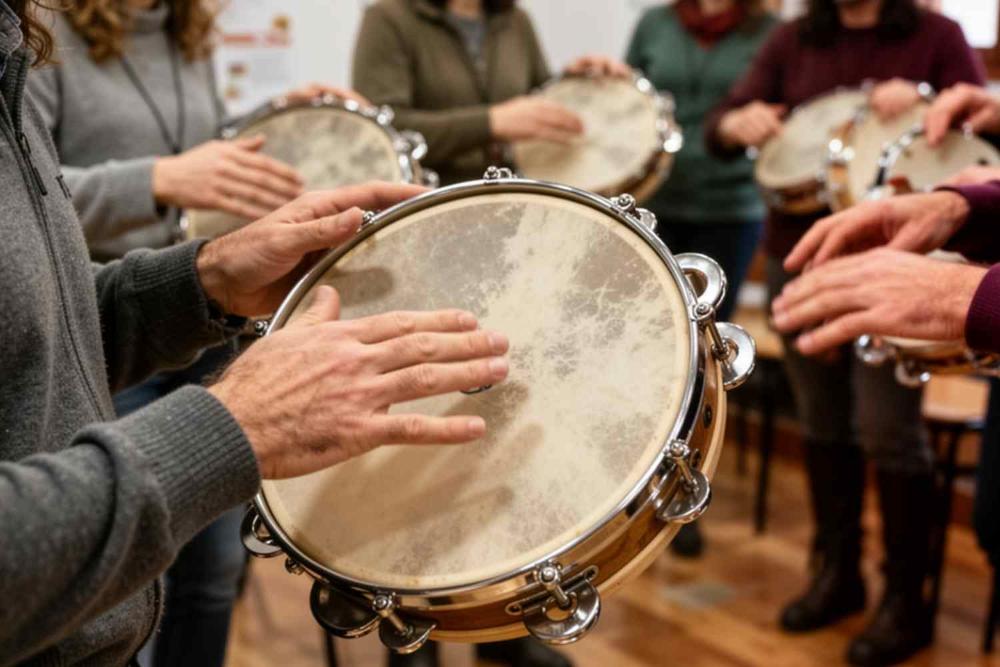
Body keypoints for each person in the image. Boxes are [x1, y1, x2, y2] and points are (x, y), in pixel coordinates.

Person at [0, 1, 511, 664]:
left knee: (210, 577)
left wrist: (202, 281)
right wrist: (227, 427)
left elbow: (35, 317)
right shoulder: (50, 46)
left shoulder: (15, 43)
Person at [25, 3, 370, 665]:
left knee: (212, 572)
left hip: (196, 319)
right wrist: (154, 178)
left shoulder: (184, 31)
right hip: (104, 336)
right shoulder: (46, 35)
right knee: (124, 587)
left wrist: (274, 117)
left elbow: (202, 148)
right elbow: (39, 196)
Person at [705, 1, 985, 664]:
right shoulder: (791, 39)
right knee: (823, 423)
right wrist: (736, 122)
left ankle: (905, 600)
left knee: (888, 429)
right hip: (802, 257)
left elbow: (982, 140)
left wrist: (926, 99)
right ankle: (835, 573)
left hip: (898, 270)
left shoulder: (937, 36)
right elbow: (723, 125)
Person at [624, 0, 777, 558]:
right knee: (649, 358)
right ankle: (636, 489)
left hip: (730, 211)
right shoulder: (654, 23)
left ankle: (688, 491)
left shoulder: (770, 33)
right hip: (655, 207)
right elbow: (625, 109)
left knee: (704, 362)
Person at [351, 0, 629, 188]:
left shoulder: (517, 20)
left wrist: (575, 84)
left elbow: (535, 100)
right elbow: (383, 133)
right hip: (429, 203)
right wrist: (491, 123)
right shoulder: (388, 17)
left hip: (515, 196)